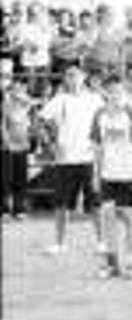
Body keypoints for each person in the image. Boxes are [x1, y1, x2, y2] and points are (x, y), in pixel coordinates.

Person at [38, 63, 105, 255]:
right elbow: (40, 120)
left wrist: (101, 148)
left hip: (89, 159)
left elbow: (106, 120)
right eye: (68, 75)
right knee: (61, 204)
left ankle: (101, 243)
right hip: (65, 160)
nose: (72, 79)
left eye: (75, 75)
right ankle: (59, 243)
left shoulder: (95, 99)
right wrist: (50, 144)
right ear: (65, 79)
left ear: (83, 77)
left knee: (95, 203)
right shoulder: (59, 100)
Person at [91, 75, 132, 278]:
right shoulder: (99, 115)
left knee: (129, 218)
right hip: (108, 175)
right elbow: (97, 148)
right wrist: (96, 176)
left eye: (119, 92)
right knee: (108, 218)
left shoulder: (131, 115)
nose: (116, 95)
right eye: (112, 92)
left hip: (129, 175)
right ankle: (112, 264)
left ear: (124, 93)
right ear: (105, 93)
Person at [2, 60, 32, 220]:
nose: (18, 90)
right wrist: (6, 140)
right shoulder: (5, 104)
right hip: (8, 145)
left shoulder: (28, 105)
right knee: (6, 178)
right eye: (15, 88)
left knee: (21, 178)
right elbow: (2, 124)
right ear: (11, 90)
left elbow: (32, 125)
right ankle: (5, 209)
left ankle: (19, 208)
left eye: (21, 88)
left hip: (23, 144)